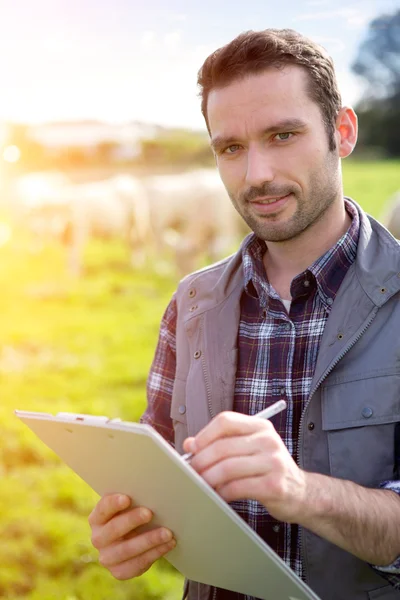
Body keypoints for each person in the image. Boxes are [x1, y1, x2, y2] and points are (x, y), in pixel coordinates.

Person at [88, 28, 400, 600]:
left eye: (283, 135)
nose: (255, 174)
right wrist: (130, 528)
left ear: (343, 131)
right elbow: (158, 477)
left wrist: (301, 492)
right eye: (231, 148)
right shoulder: (189, 305)